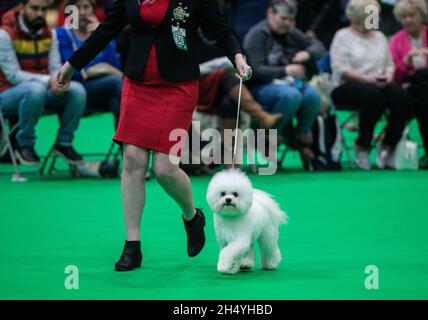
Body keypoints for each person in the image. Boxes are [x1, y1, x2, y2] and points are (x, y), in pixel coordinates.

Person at [57, 0, 251, 271]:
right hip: (138, 85)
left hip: (178, 86)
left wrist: (238, 57)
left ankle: (192, 216)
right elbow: (106, 30)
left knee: (164, 168)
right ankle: (132, 246)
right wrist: (72, 64)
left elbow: (220, 31)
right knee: (133, 160)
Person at [0, 0, 86, 165]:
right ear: (21, 8)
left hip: (39, 91)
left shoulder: (50, 33)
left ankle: (64, 143)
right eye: (34, 8)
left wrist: (58, 81)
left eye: (43, 9)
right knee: (35, 89)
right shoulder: (4, 34)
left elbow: (54, 66)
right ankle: (23, 144)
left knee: (77, 90)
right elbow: (13, 75)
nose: (40, 13)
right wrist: (49, 80)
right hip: (6, 94)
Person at [330, 0, 412, 170]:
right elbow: (341, 68)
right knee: (374, 97)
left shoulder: (380, 37)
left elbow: (389, 64)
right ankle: (362, 145)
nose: (376, 19)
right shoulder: (342, 36)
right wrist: (367, 79)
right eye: (371, 15)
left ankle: (389, 143)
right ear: (357, 17)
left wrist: (388, 76)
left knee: (402, 97)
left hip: (379, 81)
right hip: (347, 84)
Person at [243, 0, 325, 165]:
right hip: (261, 87)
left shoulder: (293, 33)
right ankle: (272, 137)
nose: (287, 23)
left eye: (291, 19)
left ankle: (302, 136)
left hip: (291, 84)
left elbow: (319, 47)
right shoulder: (257, 35)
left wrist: (307, 54)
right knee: (291, 96)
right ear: (270, 13)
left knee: (313, 95)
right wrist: (285, 71)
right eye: (283, 18)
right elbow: (254, 71)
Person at [390, 0, 428, 169]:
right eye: (403, 17)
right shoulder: (396, 40)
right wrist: (407, 61)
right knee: (423, 91)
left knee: (425, 91)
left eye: (411, 15)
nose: (407, 20)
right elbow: (396, 75)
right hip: (409, 89)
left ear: (422, 16)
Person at [56, 0, 122, 128]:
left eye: (86, 7)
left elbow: (115, 65)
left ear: (93, 9)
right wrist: (97, 70)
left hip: (105, 89)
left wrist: (103, 37)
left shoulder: (102, 32)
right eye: (77, 8)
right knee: (117, 84)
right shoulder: (63, 34)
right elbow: (68, 71)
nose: (82, 12)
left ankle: (124, 144)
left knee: (116, 100)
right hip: (78, 88)